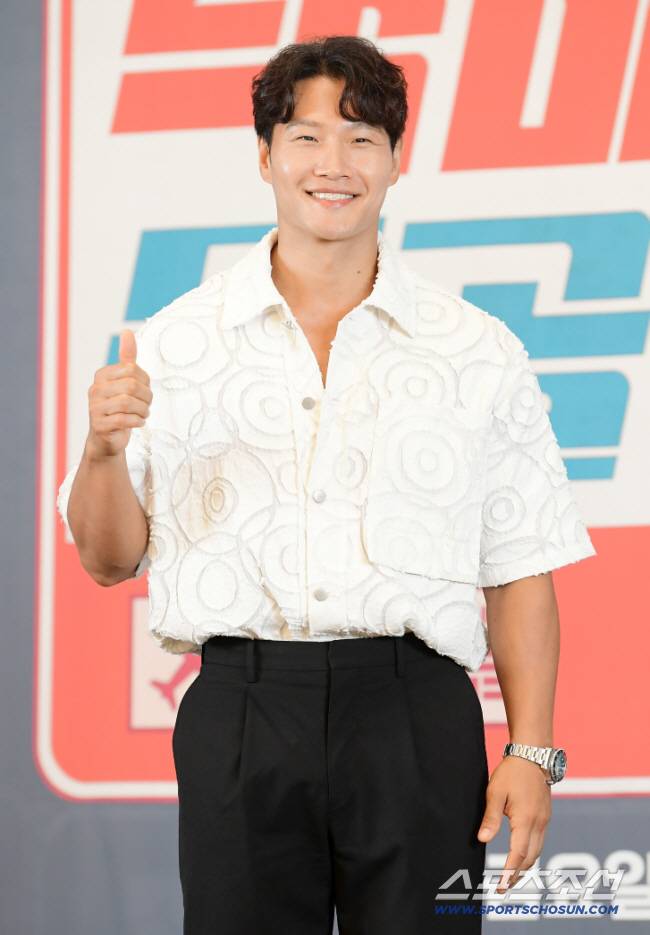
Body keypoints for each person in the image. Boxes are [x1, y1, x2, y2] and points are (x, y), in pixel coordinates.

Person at [57, 34, 597, 935]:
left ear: (396, 159)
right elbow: (108, 559)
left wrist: (532, 749)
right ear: (265, 155)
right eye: (306, 137)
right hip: (242, 708)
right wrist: (103, 452)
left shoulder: (474, 347)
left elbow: (519, 565)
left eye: (360, 139)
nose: (333, 164)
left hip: (416, 713)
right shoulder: (177, 342)